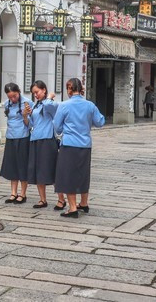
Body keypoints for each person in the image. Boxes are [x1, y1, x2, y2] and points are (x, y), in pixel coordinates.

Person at [54, 78, 105, 218]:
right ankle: (84, 203)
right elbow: (100, 122)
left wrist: (62, 131)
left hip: (69, 144)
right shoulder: (90, 105)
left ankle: (72, 208)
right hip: (85, 144)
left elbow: (57, 126)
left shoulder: (64, 105)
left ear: (69, 88)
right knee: (83, 174)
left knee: (68, 175)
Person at [25, 80, 65, 210]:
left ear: (44, 90)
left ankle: (61, 199)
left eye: (37, 92)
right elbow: (31, 124)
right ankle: (42, 199)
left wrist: (49, 97)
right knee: (37, 170)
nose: (35, 95)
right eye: (33, 93)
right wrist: (26, 115)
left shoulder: (50, 104)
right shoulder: (36, 106)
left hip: (48, 140)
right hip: (35, 139)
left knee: (52, 169)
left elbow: (52, 108)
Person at [0, 83, 32, 204]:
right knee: (12, 165)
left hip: (23, 137)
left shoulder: (27, 103)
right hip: (10, 137)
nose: (13, 99)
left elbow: (30, 123)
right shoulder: (7, 104)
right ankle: (13, 192)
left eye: (14, 96)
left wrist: (25, 116)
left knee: (22, 165)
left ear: (19, 92)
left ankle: (23, 194)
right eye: (10, 97)